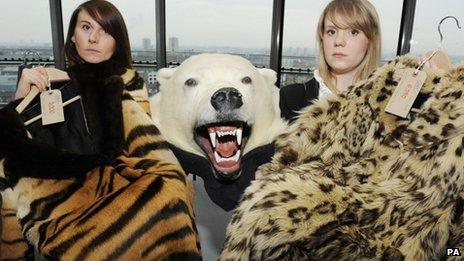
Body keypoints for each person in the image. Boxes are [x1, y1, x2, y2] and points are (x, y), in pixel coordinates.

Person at [280, 0, 381, 123]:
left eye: (353, 32)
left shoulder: (386, 102)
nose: (338, 41)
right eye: (331, 32)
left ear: (370, 41)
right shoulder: (292, 97)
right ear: (322, 39)